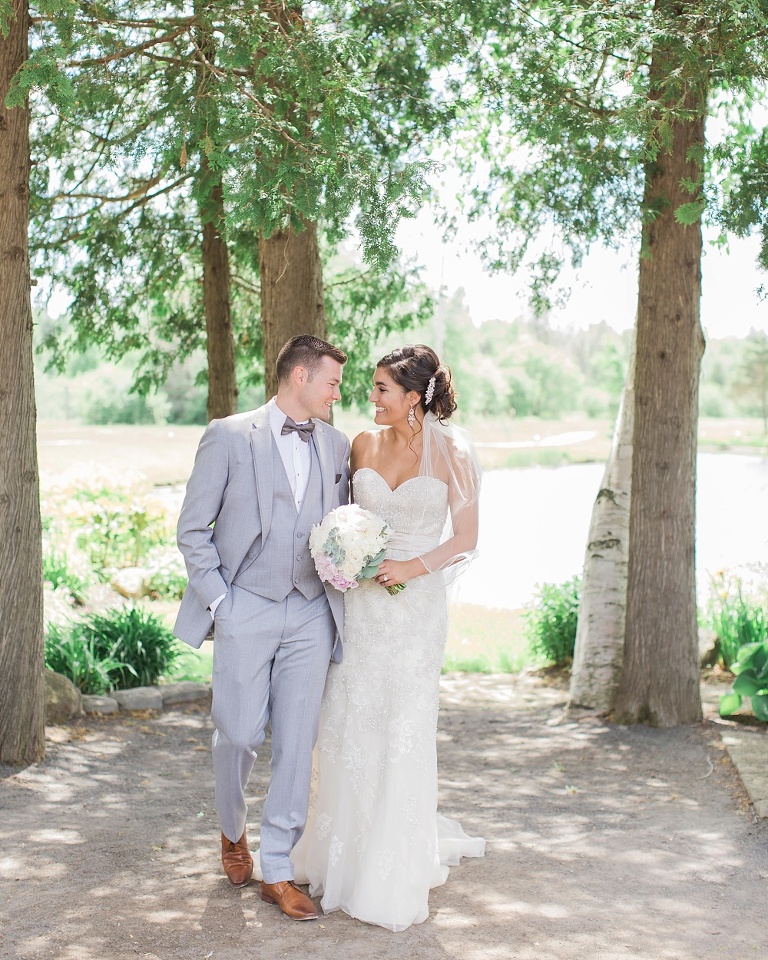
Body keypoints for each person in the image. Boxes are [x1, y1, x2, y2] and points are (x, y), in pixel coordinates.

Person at [291, 344, 485, 931]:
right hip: (363, 605)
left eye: (380, 388)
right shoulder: (361, 444)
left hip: (416, 608)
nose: (369, 397)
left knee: (403, 722)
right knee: (350, 718)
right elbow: (345, 520)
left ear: (413, 397)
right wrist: (342, 557)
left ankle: (391, 865)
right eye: (370, 387)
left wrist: (410, 568)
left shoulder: (453, 452)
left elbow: (467, 538)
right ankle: (339, 853)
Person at [173, 335, 351, 921]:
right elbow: (193, 529)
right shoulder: (229, 435)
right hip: (244, 602)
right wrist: (222, 603)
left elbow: (340, 528)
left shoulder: (337, 444)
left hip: (310, 611)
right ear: (299, 377)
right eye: (331, 381)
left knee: (298, 741)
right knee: (240, 733)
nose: (338, 393)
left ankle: (277, 866)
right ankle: (232, 830)